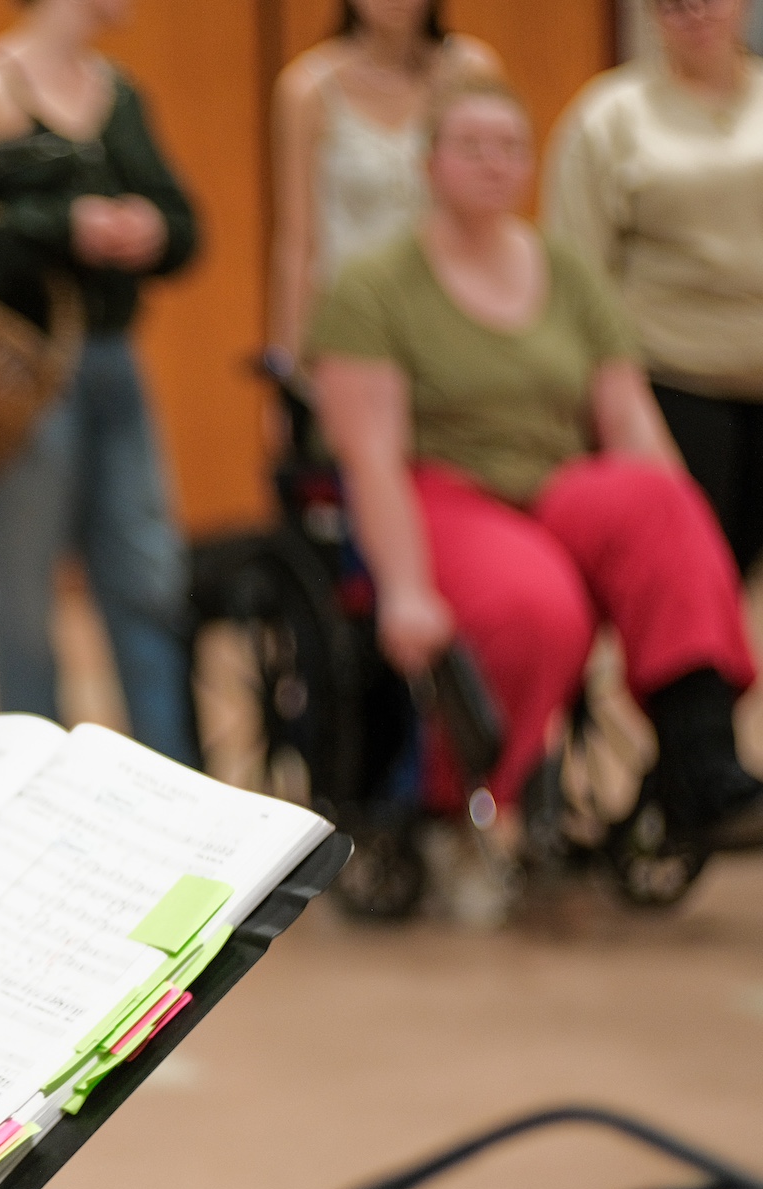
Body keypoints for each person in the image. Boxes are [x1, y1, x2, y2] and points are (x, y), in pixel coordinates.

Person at [308, 78, 763, 850]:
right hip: (441, 488)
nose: (494, 163)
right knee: (538, 605)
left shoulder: (568, 271)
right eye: (471, 147)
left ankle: (701, 763)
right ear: (429, 163)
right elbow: (371, 456)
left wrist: (686, 539)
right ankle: (465, 800)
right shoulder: (374, 285)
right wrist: (406, 591)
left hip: (554, 482)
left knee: (664, 502)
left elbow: (628, 418)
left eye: (510, 148)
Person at [0, 0, 199, 764]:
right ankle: (30, 777)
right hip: (23, 370)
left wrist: (151, 229)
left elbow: (185, 226)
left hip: (113, 362)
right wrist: (65, 228)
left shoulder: (120, 93)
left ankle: (171, 779)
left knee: (146, 578)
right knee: (21, 594)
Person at [545, 0, 763, 575]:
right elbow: (576, 273)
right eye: (674, 5)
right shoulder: (610, 115)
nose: (696, 15)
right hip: (670, 381)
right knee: (692, 575)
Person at [269, 0, 500, 372]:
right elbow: (297, 239)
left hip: (453, 315)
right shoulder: (306, 88)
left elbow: (495, 211)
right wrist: (287, 360)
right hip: (352, 322)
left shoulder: (471, 70)